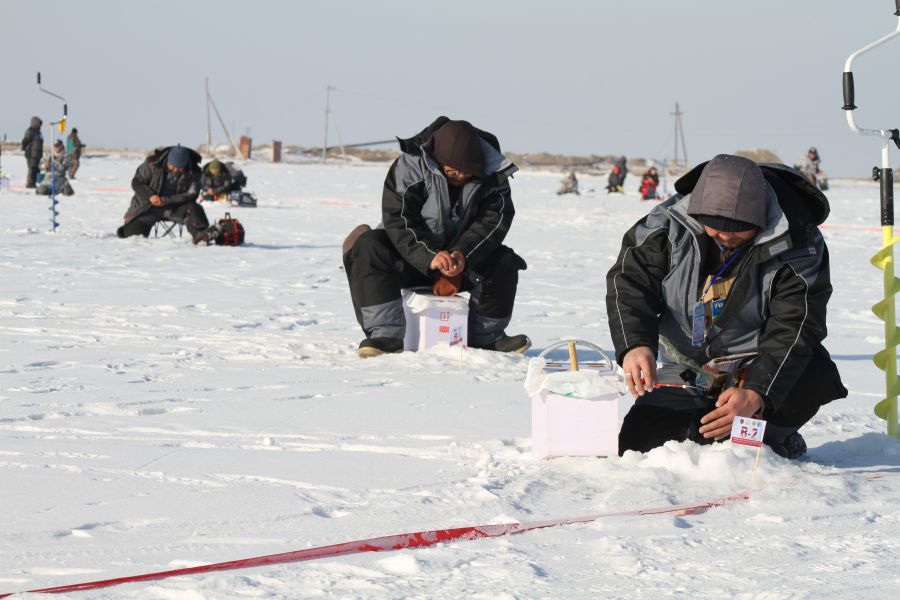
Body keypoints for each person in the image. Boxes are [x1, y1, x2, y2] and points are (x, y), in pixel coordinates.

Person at [606, 154, 846, 459]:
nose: (725, 235)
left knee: (808, 375)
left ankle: (772, 435)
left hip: (756, 365)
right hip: (689, 367)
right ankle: (705, 421)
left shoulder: (800, 243)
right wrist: (635, 344)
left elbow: (796, 325)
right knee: (639, 448)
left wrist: (757, 392)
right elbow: (630, 282)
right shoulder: (666, 225)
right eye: (715, 227)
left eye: (739, 229)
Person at [343, 116, 530, 358]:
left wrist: (463, 255)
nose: (460, 175)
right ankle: (385, 336)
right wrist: (430, 256)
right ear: (437, 158)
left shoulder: (494, 172)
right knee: (370, 245)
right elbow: (399, 219)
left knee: (504, 261)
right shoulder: (409, 166)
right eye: (453, 171)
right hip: (410, 259)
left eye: (467, 172)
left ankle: (487, 337)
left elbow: (494, 222)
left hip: (462, 261)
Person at [117, 144, 215, 244]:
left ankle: (201, 235)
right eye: (172, 167)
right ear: (168, 160)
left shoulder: (194, 172)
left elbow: (191, 194)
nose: (175, 170)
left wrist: (166, 200)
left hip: (175, 208)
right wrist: (150, 196)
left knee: (194, 208)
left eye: (179, 169)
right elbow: (137, 182)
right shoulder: (151, 164)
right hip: (148, 208)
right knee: (132, 239)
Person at [20, 116, 43, 188]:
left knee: (35, 169)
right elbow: (26, 140)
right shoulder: (31, 131)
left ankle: (33, 183)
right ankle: (30, 183)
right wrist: (24, 147)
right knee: (32, 168)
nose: (40, 125)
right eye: (39, 123)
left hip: (37, 154)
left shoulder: (38, 132)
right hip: (31, 154)